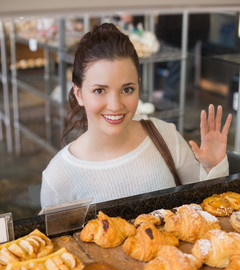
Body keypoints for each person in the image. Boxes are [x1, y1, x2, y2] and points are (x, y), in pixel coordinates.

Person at [40, 23, 232, 209]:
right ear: (79, 93)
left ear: (138, 85)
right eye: (99, 90)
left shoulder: (165, 136)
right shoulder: (58, 178)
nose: (115, 105)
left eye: (127, 89)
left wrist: (213, 169)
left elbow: (203, 211)